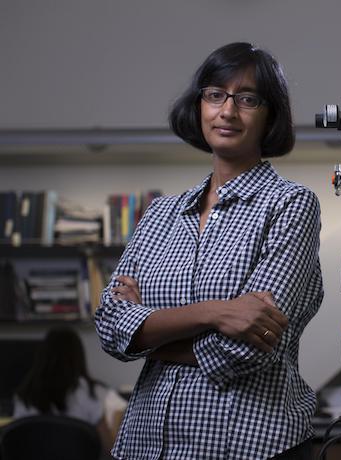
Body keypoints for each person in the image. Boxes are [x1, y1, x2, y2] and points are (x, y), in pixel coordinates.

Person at [95, 42, 323, 459]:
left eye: (248, 99)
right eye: (216, 94)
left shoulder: (291, 205)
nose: (228, 111)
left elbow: (252, 346)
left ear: (270, 114)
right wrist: (215, 313)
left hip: (248, 446)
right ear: (200, 104)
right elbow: (111, 328)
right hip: (147, 444)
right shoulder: (161, 213)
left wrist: (148, 337)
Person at [14, 327, 115, 452]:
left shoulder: (24, 394)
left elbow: (14, 441)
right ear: (78, 357)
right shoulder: (91, 392)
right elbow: (107, 448)